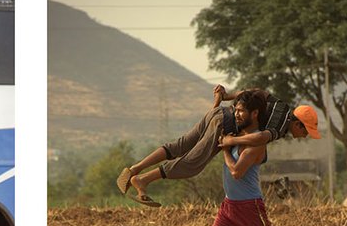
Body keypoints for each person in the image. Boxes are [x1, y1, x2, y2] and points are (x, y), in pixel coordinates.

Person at [182, 89, 316, 226]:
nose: (237, 114)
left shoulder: (257, 143)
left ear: (255, 114)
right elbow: (250, 94)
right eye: (237, 110)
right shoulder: (244, 134)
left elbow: (236, 172)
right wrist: (222, 99)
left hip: (249, 208)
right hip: (229, 208)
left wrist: (224, 148)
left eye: (241, 111)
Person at [117, 85, 322, 206]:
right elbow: (260, 139)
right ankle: (142, 180)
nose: (303, 136)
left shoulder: (281, 105)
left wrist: (225, 97)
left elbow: (255, 91)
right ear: (297, 123)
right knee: (192, 163)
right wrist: (231, 141)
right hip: (224, 124)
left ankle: (135, 167)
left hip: (219, 113)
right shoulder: (280, 125)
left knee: (179, 145)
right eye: (304, 131)